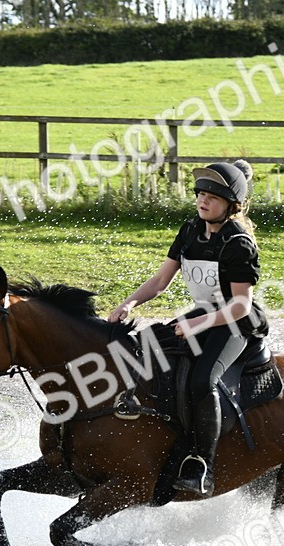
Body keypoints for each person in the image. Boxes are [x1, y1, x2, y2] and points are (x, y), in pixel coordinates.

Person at [107, 159, 268, 497]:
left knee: (202, 379)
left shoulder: (238, 243)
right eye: (200, 194)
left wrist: (197, 323)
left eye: (212, 196)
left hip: (234, 324)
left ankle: (201, 465)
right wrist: (131, 302)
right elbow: (161, 281)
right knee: (146, 348)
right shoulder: (190, 230)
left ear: (231, 205)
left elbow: (239, 305)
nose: (202, 200)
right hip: (201, 315)